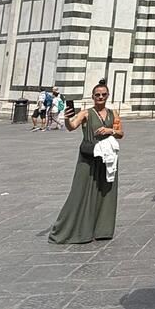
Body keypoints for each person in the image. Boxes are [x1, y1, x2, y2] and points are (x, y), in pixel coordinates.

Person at [49, 81, 123, 244]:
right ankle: (69, 229)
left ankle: (101, 229)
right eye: (97, 95)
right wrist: (68, 118)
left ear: (108, 96)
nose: (100, 97)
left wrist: (110, 130)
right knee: (80, 191)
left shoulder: (113, 113)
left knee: (106, 191)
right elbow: (71, 126)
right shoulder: (86, 113)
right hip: (89, 157)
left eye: (104, 94)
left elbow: (120, 133)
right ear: (93, 96)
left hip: (107, 158)